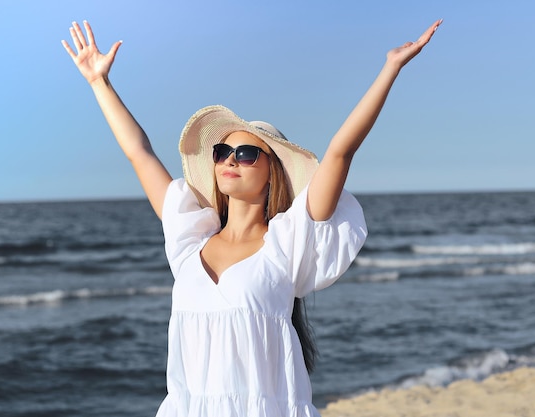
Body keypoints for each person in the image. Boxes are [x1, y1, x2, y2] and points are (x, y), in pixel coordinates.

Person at [62, 18, 442, 417]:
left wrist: (390, 68)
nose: (230, 160)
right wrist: (98, 83)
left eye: (245, 154)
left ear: (272, 170)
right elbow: (139, 153)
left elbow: (340, 152)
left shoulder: (288, 241)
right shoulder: (189, 238)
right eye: (222, 152)